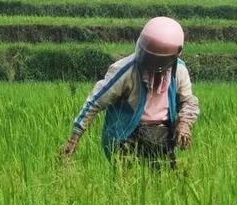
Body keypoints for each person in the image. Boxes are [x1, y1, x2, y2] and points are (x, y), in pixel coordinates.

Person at [61, 16, 200, 168]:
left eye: (157, 61)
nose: (151, 64)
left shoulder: (179, 70)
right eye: (148, 58)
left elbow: (188, 101)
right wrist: (74, 138)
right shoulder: (125, 70)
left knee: (164, 181)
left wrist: (185, 123)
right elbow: (96, 101)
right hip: (127, 135)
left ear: (175, 55)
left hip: (162, 134)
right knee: (128, 183)